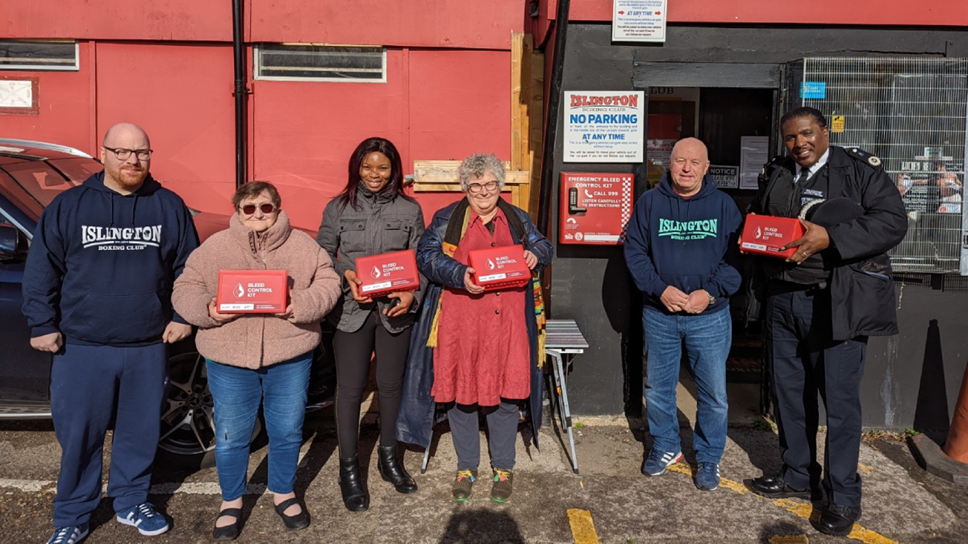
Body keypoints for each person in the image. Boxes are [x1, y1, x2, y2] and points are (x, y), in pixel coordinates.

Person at [21, 123, 199, 544]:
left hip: (146, 345)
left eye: (141, 153)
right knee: (80, 436)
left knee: (140, 433)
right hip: (82, 346)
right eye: (122, 152)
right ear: (103, 154)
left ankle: (130, 501)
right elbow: (42, 269)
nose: (132, 160)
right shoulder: (69, 207)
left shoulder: (168, 206)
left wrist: (182, 314)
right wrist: (42, 322)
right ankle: (71, 516)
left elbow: (189, 269)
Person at [745, 107, 907, 537]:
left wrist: (831, 237)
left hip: (835, 303)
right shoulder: (777, 173)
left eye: (806, 134)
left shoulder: (859, 170)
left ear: (823, 131)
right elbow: (762, 218)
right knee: (791, 398)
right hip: (782, 300)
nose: (799, 144)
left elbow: (893, 221)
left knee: (840, 405)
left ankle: (842, 496)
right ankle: (798, 475)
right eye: (791, 138)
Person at [172, 181, 340, 540]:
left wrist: (302, 305)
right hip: (229, 358)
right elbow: (185, 288)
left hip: (289, 356)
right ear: (238, 211)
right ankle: (231, 501)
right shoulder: (213, 247)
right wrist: (208, 310)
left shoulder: (303, 245)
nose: (258, 215)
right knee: (232, 436)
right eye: (249, 208)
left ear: (277, 209)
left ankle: (283, 491)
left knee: (287, 430)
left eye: (266, 207)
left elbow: (329, 282)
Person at [396, 152, 553, 503]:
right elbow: (427, 255)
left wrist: (535, 255)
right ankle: (466, 466)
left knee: (506, 395)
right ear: (464, 187)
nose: (483, 191)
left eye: (490, 184)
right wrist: (459, 275)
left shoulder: (517, 218)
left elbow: (545, 244)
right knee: (460, 396)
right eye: (475, 185)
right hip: (460, 321)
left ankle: (504, 467)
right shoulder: (448, 217)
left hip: (508, 323)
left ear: (501, 185)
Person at [624, 137, 742, 491]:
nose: (686, 168)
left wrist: (710, 293)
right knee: (658, 389)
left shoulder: (724, 206)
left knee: (714, 394)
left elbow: (737, 260)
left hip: (710, 316)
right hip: (660, 315)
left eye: (694, 162)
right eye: (679, 161)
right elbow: (635, 254)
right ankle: (666, 446)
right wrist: (660, 289)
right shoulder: (649, 203)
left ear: (707, 168)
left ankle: (708, 457)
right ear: (669, 164)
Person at [316, 137, 426, 511]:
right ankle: (349, 470)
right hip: (352, 310)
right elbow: (322, 256)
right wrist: (346, 273)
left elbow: (421, 260)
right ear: (356, 168)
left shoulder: (410, 210)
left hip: (395, 310)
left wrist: (414, 295)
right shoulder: (338, 208)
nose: (374, 174)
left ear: (394, 169)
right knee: (349, 390)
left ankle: (389, 458)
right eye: (367, 167)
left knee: (390, 387)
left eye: (382, 167)